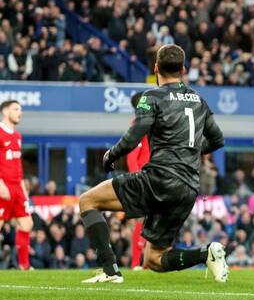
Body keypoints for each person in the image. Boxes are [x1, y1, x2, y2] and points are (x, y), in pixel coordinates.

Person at [77, 44, 228, 283]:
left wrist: (110, 155)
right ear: (183, 69)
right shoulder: (198, 100)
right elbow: (217, 139)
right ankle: (205, 253)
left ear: (156, 68)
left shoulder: (152, 97)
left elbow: (134, 135)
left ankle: (110, 271)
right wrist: (188, 151)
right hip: (188, 188)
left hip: (159, 179)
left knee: (87, 200)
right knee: (153, 259)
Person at [0, 100, 33, 271]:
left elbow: (17, 164)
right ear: (5, 111)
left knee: (27, 224)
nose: (20, 112)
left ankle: (24, 266)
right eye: (16, 109)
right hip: (1, 186)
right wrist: (0, 184)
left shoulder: (17, 136)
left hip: (17, 186)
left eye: (21, 109)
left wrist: (23, 188)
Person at [126, 92, 151, 271]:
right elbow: (132, 156)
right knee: (143, 220)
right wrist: (136, 178)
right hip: (143, 178)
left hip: (155, 176)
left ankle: (147, 262)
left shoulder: (151, 123)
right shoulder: (138, 125)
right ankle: (136, 262)